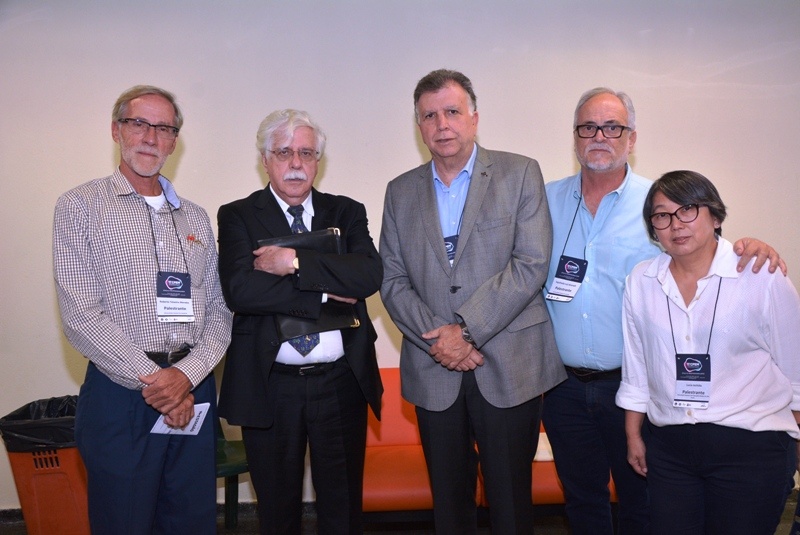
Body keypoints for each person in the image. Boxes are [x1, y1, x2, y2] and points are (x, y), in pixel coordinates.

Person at [541, 87, 785, 535]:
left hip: (639, 386)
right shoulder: (542, 201)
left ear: (631, 137)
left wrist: (753, 245)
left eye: (612, 126)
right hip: (563, 387)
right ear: (574, 137)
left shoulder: (659, 203)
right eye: (588, 127)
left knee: (646, 504)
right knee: (581, 499)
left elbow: (707, 249)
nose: (600, 136)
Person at [380, 69, 566, 535]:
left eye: (452, 112)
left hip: (508, 366)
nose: (442, 124)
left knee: (510, 505)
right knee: (449, 506)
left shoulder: (519, 173)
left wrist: (464, 333)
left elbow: (530, 264)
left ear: (475, 117)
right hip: (433, 370)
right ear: (419, 126)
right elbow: (392, 279)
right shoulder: (400, 191)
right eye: (429, 115)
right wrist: (441, 342)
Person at [53, 85, 232, 534]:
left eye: (164, 128)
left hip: (193, 393)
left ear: (175, 141)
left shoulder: (195, 218)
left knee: (190, 522)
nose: (151, 137)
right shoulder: (79, 206)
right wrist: (159, 384)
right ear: (117, 131)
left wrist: (186, 377)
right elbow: (81, 313)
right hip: (122, 396)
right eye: (139, 124)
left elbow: (220, 312)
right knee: (124, 522)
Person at [216, 109, 383, 535]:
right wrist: (326, 290)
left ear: (318, 161)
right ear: (264, 159)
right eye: (284, 152)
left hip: (340, 384)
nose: (295, 163)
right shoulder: (238, 215)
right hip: (271, 387)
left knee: (343, 509)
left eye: (306, 153)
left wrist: (292, 261)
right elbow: (242, 291)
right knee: (277, 510)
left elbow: (366, 277)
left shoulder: (345, 211)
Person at [616, 170, 800, 535]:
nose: (676, 224)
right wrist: (633, 434)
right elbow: (636, 368)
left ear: (715, 217)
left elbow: (795, 367)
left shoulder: (760, 275)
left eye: (688, 209)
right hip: (670, 448)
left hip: (751, 445)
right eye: (662, 215)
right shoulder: (642, 281)